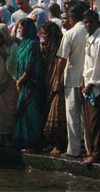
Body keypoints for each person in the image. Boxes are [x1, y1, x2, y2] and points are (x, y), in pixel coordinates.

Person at [56, 5, 87, 157]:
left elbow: (62, 59)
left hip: (73, 79)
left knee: (72, 116)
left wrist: (57, 79)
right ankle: (88, 148)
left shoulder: (70, 34)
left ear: (72, 18)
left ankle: (73, 150)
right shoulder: (91, 32)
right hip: (88, 81)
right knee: (86, 117)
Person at [81, 10, 100, 166]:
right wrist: (83, 81)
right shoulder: (89, 38)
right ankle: (92, 151)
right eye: (85, 22)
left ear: (97, 23)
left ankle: (97, 154)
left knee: (96, 122)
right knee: (89, 122)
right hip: (88, 85)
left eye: (91, 22)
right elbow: (87, 63)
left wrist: (91, 84)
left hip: (96, 87)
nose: (88, 25)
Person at [12, 18, 43, 152]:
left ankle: (33, 144)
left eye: (21, 28)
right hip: (23, 84)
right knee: (22, 113)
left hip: (31, 84)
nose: (19, 30)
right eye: (18, 28)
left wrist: (20, 80)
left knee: (31, 114)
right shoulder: (24, 42)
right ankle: (23, 142)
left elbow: (30, 66)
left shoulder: (34, 44)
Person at [37, 21, 65, 154]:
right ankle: (52, 143)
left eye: (46, 35)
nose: (44, 38)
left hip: (58, 83)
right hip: (47, 82)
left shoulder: (59, 45)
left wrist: (58, 81)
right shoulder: (45, 46)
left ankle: (60, 145)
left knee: (57, 115)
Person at [0, 23, 18, 146]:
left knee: (9, 111)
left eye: (1, 35)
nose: (0, 38)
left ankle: (9, 138)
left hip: (10, 84)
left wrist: (4, 54)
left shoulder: (13, 46)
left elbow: (13, 65)